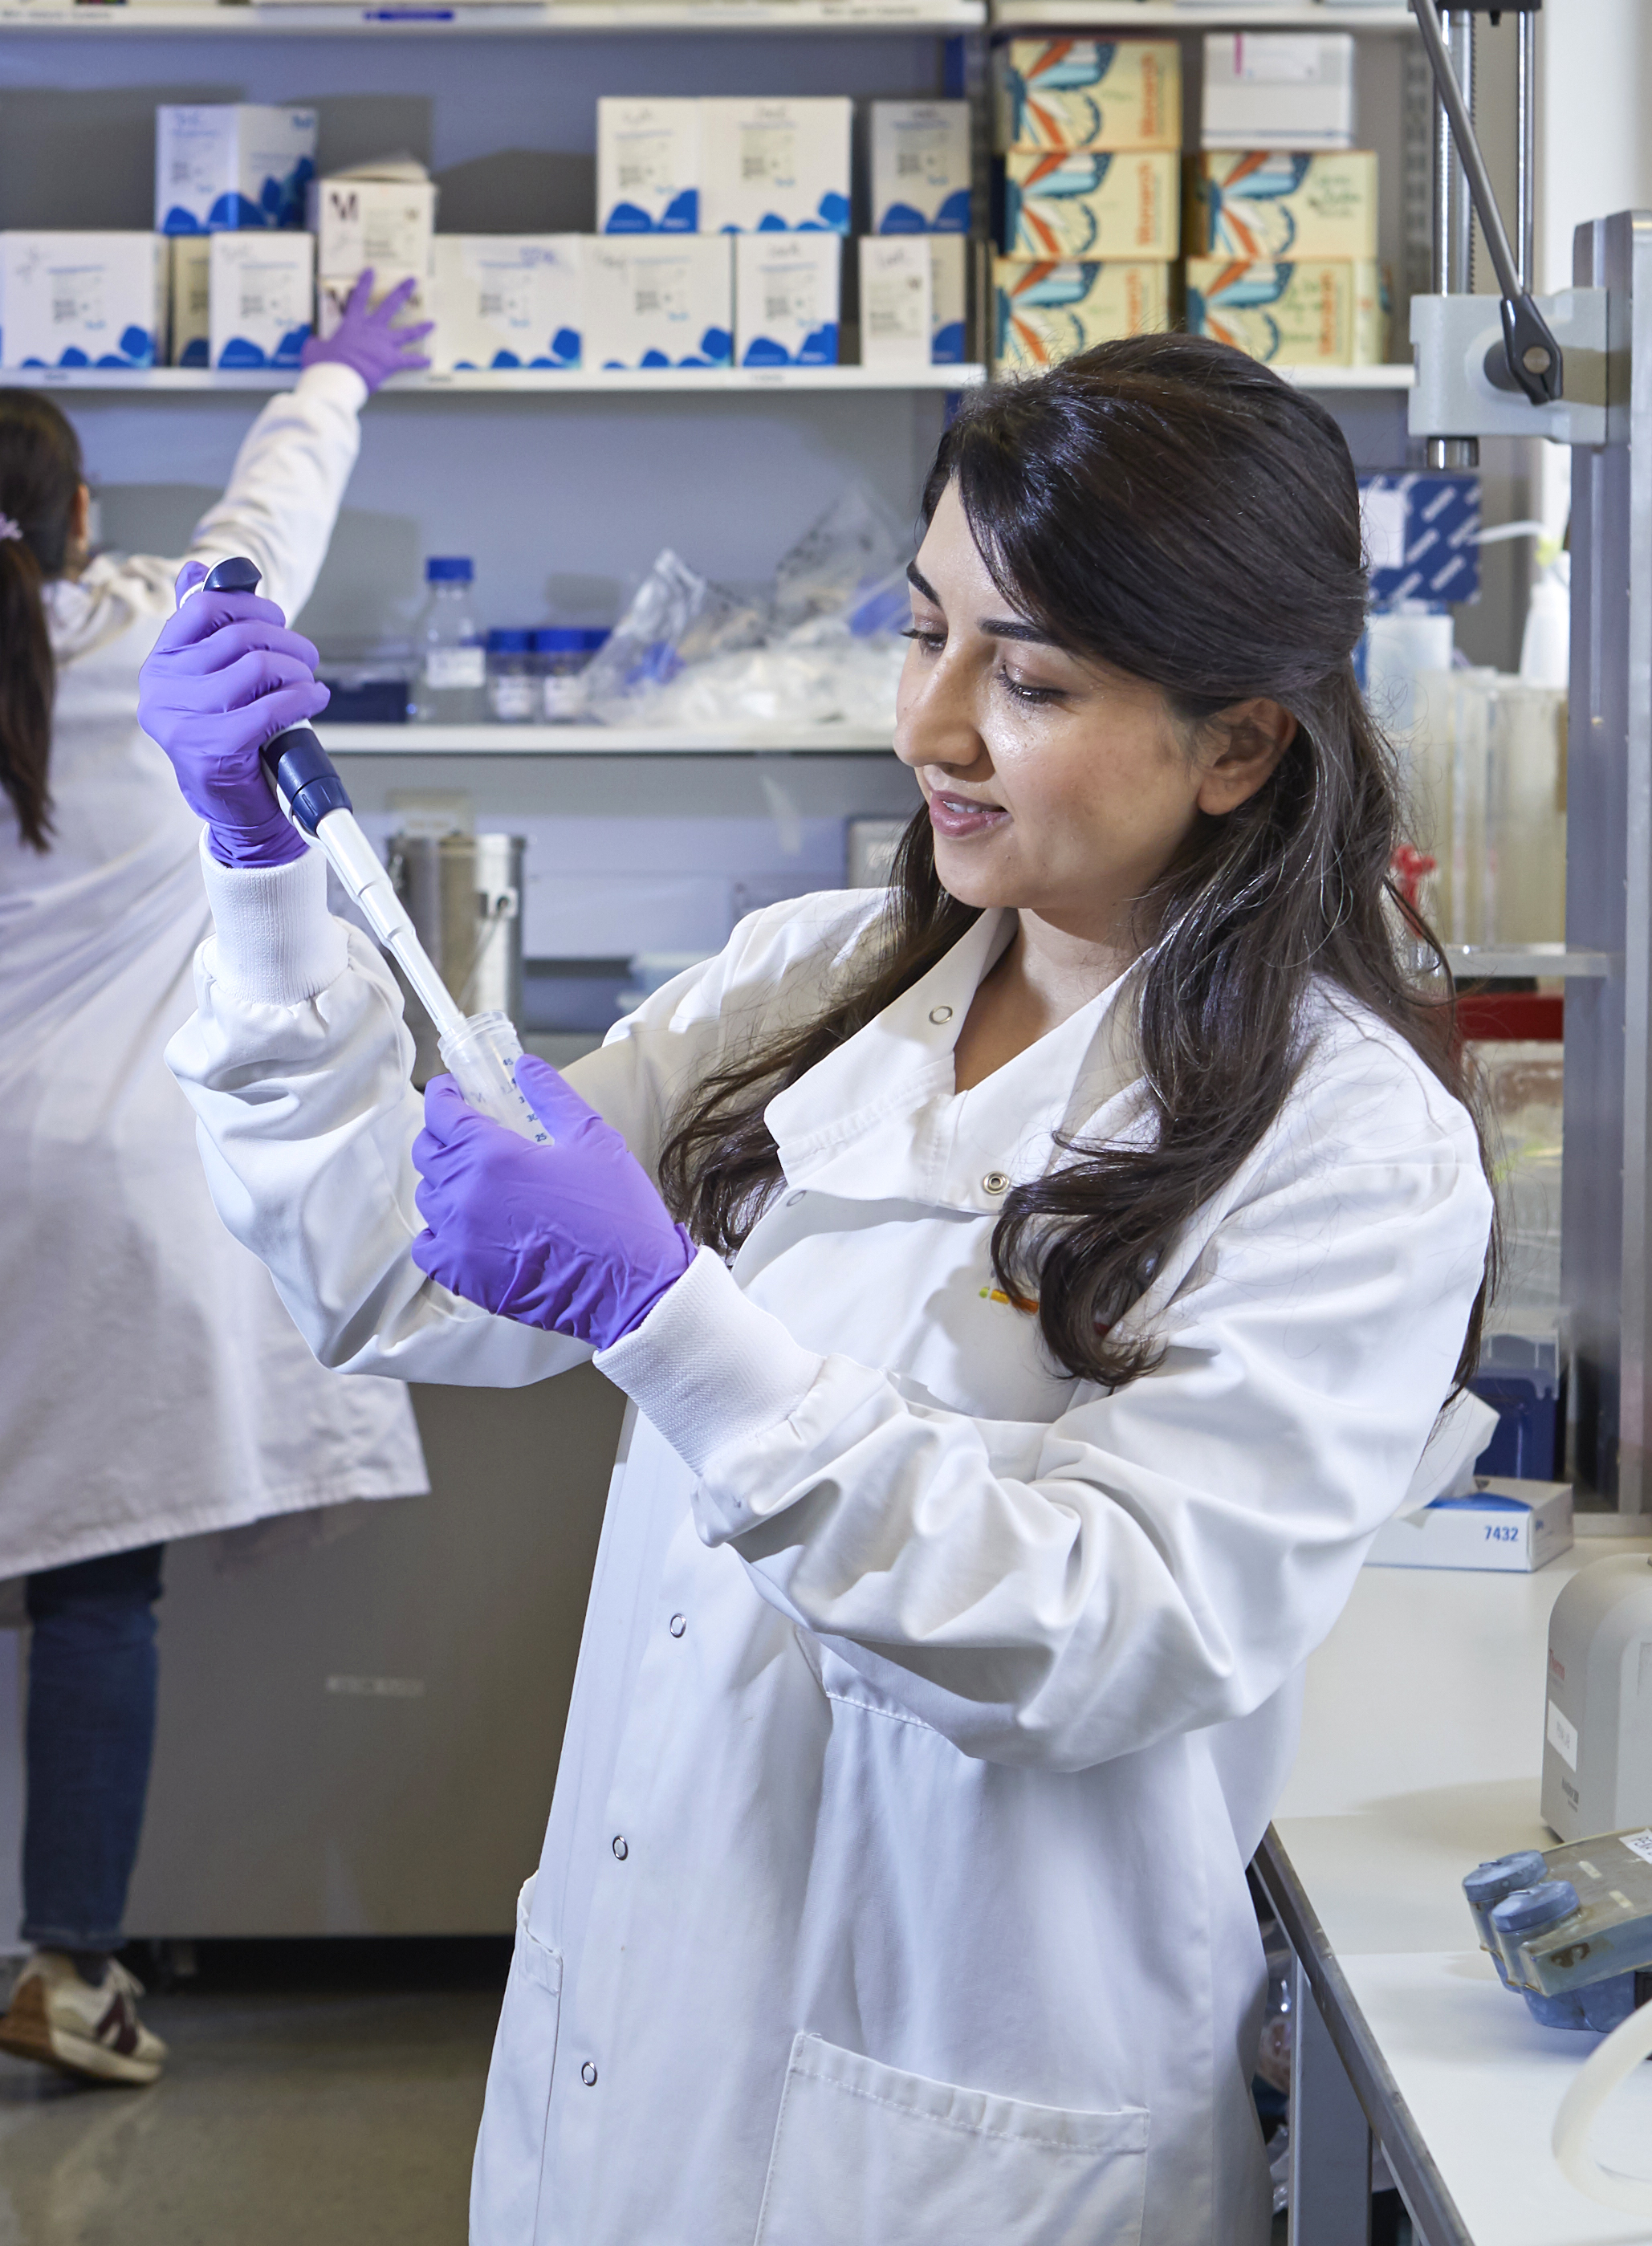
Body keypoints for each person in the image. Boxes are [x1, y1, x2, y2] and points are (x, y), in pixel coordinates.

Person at [140, 335, 1491, 2240]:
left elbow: (1111, 1628)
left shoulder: (1342, 1137)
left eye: (1025, 678)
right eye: (924, 630)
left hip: (966, 2142)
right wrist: (260, 871)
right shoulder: (817, 981)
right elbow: (383, 1262)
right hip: (623, 2083)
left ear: (1241, 743)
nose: (928, 726)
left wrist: (669, 1320)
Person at [0, 275, 440, 2089]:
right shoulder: (169, 634)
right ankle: (71, 1976)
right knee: (96, 1569)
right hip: (134, 1188)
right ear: (80, 517)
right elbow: (271, 514)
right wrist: (337, 366)